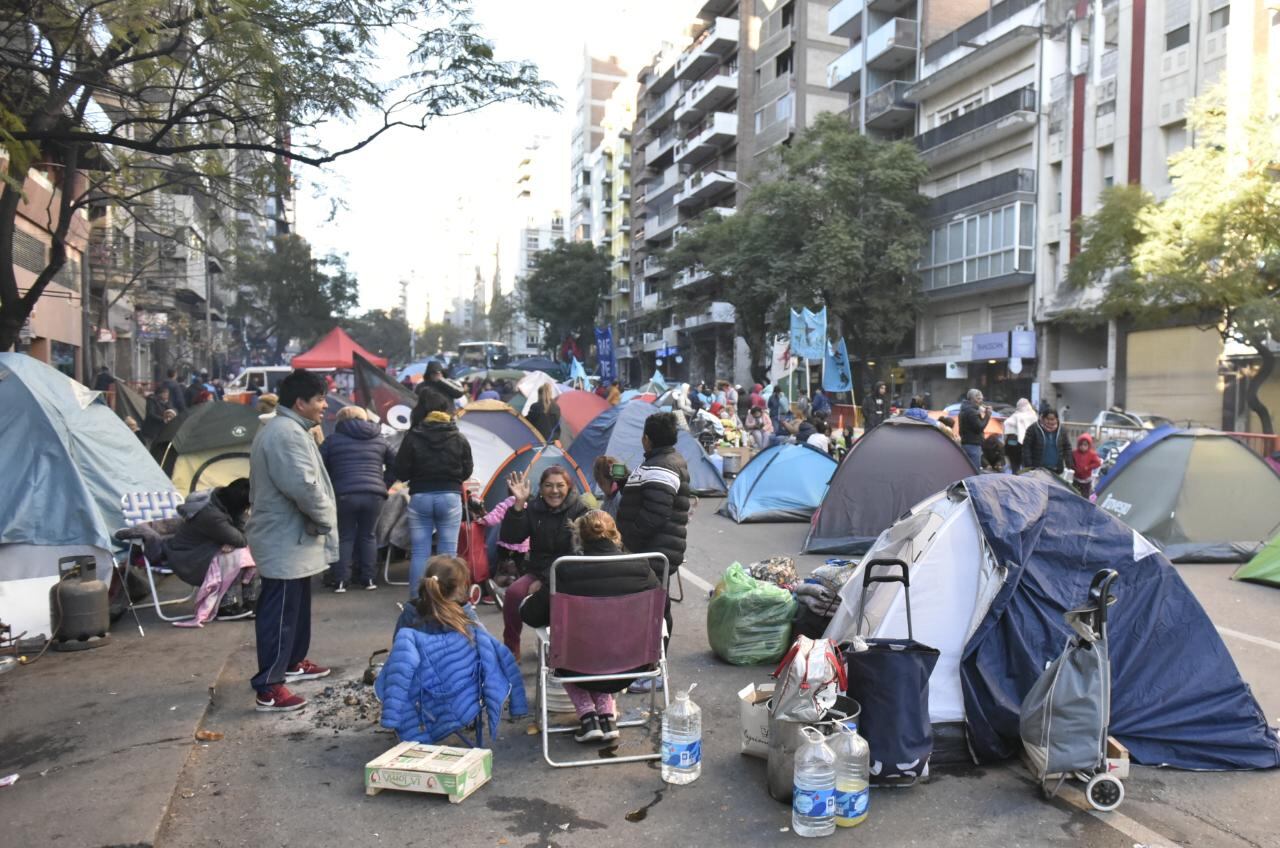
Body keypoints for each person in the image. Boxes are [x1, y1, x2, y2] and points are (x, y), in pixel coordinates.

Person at [519, 510, 661, 743]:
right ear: (616, 535)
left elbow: (532, 616)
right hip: (631, 665)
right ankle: (604, 715)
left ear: (579, 537)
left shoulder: (565, 570)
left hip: (577, 668)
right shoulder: (641, 568)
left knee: (571, 649)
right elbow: (660, 613)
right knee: (601, 648)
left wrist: (527, 604)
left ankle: (588, 717)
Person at [247, 369, 337, 712]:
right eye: (319, 399)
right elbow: (303, 486)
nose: (324, 406)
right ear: (300, 402)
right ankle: (269, 685)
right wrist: (327, 517)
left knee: (295, 607)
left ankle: (293, 662)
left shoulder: (291, 429)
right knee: (280, 611)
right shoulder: (286, 434)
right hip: (283, 537)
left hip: (293, 538)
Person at [376, 556, 528, 744]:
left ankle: (411, 727)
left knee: (398, 666)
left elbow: (398, 657)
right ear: (459, 588)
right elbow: (490, 652)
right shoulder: (465, 616)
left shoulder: (410, 614)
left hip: (423, 694)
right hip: (463, 694)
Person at [616, 412, 689, 664]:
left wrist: (628, 541)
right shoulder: (660, 461)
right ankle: (648, 661)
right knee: (653, 604)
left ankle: (654, 666)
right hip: (655, 548)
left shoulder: (662, 465)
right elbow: (651, 496)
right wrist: (626, 480)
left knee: (655, 608)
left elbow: (656, 513)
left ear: (646, 438)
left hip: (655, 550)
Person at [500, 466, 590, 658]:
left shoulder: (580, 510)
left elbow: (578, 553)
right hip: (537, 570)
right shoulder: (533, 508)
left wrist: (545, 581)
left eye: (560, 485)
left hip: (568, 574)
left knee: (559, 600)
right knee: (514, 593)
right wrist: (519, 504)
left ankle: (562, 648)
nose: (554, 491)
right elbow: (511, 537)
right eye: (548, 485)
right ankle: (511, 648)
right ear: (540, 488)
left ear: (569, 487)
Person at [395, 387, 473, 599]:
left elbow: (400, 470)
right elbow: (467, 470)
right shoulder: (458, 436)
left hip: (420, 496)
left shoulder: (413, 436)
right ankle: (448, 599)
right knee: (448, 553)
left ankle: (417, 599)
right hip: (449, 495)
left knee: (420, 551)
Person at [320, 406, 396, 592]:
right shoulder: (380, 439)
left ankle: (340, 581)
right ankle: (368, 579)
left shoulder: (332, 441)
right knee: (368, 535)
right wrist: (383, 484)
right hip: (374, 495)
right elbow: (396, 463)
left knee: (345, 536)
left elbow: (319, 467)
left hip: (343, 494)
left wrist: (332, 484)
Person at [165, 478, 258, 626]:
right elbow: (241, 538)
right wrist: (235, 539)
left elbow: (245, 533)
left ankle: (251, 601)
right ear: (238, 504)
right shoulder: (210, 514)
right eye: (246, 506)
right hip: (189, 559)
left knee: (249, 549)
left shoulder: (221, 499)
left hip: (206, 551)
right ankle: (226, 606)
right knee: (239, 553)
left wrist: (236, 537)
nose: (247, 510)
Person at [1022, 407, 1073, 475]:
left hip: (1056, 469)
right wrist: (1028, 465)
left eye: (1052, 419)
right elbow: (1026, 447)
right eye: (1047, 419)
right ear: (1043, 418)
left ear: (1057, 419)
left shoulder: (1062, 430)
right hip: (1037, 470)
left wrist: (1068, 462)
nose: (1050, 421)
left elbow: (1067, 447)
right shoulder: (1033, 429)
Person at [958, 388, 992, 470]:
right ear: (973, 399)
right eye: (979, 398)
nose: (981, 401)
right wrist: (987, 415)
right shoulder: (971, 411)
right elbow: (979, 427)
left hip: (966, 442)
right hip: (973, 444)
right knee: (974, 471)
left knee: (967, 470)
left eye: (981, 399)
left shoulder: (964, 409)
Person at [1004, 398, 1038, 473]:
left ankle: (1015, 478)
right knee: (1026, 467)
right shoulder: (1032, 415)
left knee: (1014, 465)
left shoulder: (1014, 416)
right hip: (1026, 445)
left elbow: (1006, 427)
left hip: (1011, 443)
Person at [1071, 433, 1102, 497]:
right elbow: (1070, 461)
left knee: (1085, 495)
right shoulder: (1075, 453)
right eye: (1081, 444)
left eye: (1085, 445)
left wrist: (1088, 467)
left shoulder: (1092, 454)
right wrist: (1073, 467)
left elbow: (1098, 463)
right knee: (1074, 493)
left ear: (1089, 445)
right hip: (1076, 478)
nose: (1083, 447)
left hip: (1086, 480)